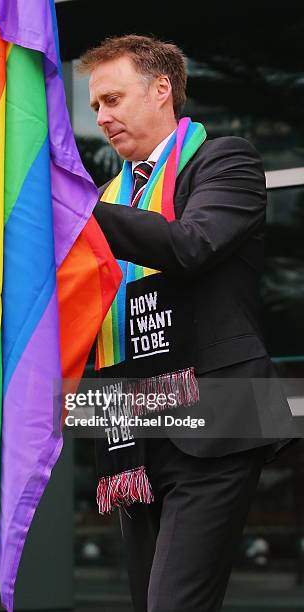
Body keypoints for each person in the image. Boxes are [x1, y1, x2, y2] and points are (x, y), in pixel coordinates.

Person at [77, 35, 298, 612]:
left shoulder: (226, 159)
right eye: (95, 105)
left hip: (215, 422)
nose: (101, 117)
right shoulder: (110, 197)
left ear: (161, 90)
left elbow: (191, 245)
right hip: (132, 430)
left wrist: (73, 207)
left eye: (113, 99)